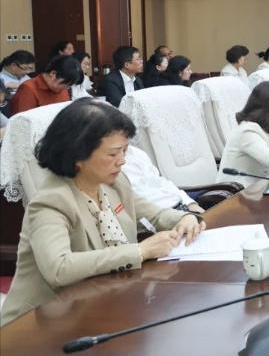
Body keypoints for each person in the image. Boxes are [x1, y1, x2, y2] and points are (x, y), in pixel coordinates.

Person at [0, 100, 204, 326]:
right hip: (38, 324)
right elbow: (59, 268)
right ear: (78, 155)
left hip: (98, 306)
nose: (122, 161)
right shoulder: (51, 201)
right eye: (113, 154)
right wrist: (140, 251)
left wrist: (185, 218)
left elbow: (153, 213)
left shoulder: (113, 183)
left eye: (125, 151)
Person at [122, 145, 205, 213]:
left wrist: (189, 202)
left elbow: (161, 181)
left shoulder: (136, 152)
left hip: (179, 202)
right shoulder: (118, 169)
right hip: (162, 214)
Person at [9, 55, 82, 115]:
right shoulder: (29, 89)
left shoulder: (63, 89)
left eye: (69, 85)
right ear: (53, 74)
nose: (66, 88)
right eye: (65, 84)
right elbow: (22, 122)